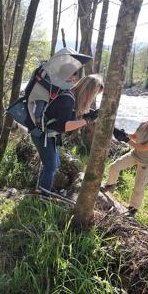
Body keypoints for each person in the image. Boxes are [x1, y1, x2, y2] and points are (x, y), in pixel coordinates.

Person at [26, 48, 104, 195]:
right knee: (50, 167)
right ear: (88, 91)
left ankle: (40, 191)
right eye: (94, 94)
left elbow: (66, 115)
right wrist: (87, 120)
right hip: (43, 135)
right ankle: (43, 197)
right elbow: (66, 125)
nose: (94, 98)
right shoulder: (67, 98)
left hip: (46, 134)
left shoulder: (67, 94)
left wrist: (87, 114)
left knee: (53, 164)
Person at [102, 110, 148, 215]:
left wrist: (125, 140)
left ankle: (133, 209)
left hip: (147, 162)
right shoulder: (144, 125)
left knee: (138, 187)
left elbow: (142, 148)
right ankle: (110, 185)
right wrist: (123, 134)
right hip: (135, 154)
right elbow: (135, 136)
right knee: (114, 167)